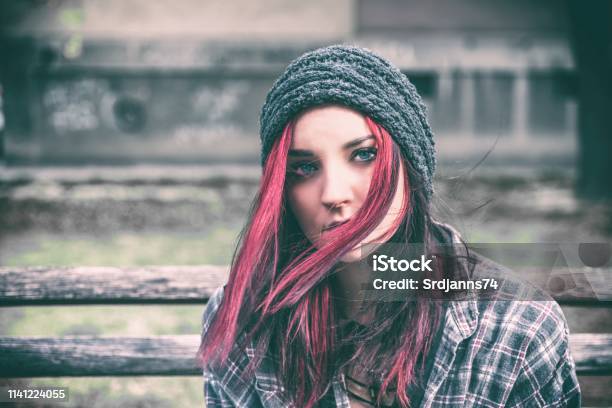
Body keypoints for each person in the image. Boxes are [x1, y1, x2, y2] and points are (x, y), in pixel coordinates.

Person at [198, 45, 581, 407]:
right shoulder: (244, 321)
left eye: (364, 155)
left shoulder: (516, 328)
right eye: (305, 167)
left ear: (411, 167)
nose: (334, 194)